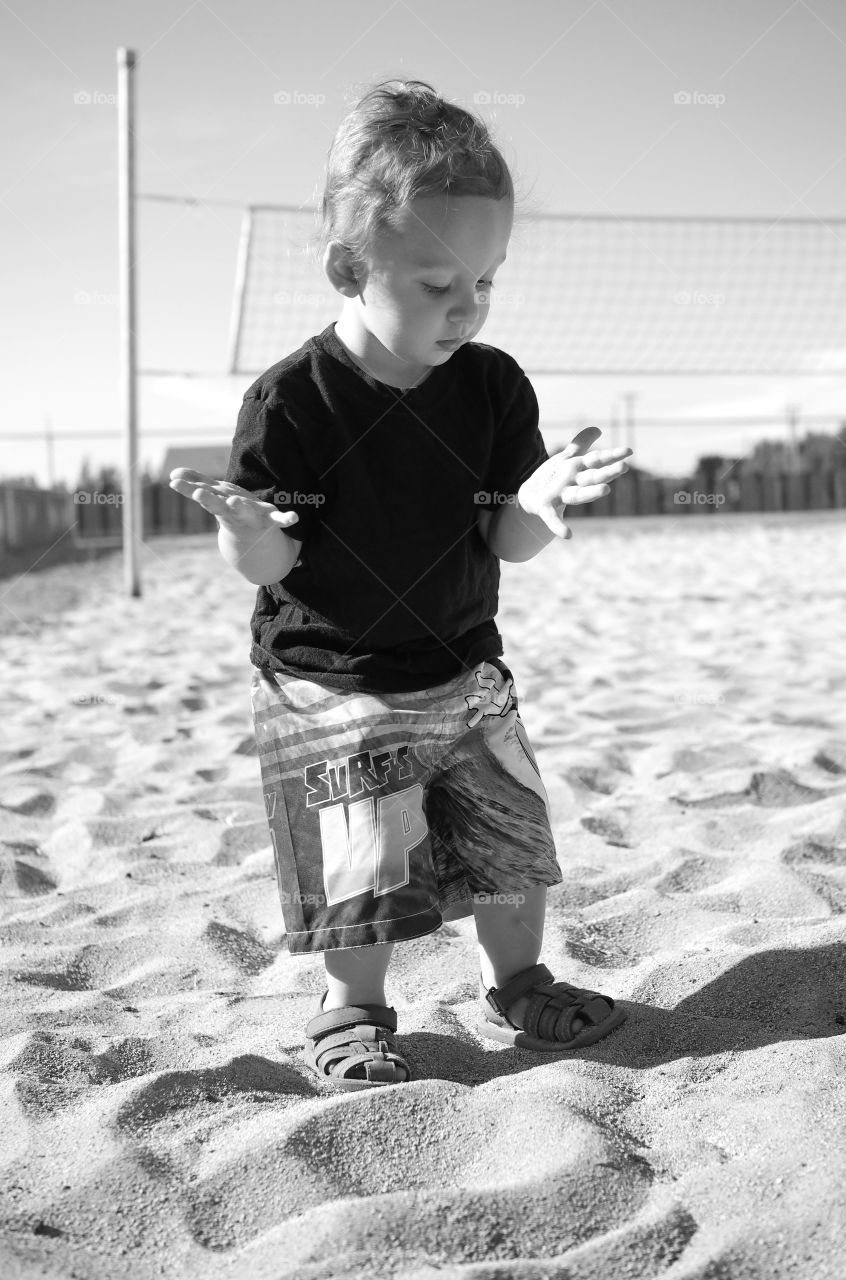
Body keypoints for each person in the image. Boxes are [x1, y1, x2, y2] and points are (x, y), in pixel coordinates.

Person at [170, 78, 634, 1090]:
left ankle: (518, 982)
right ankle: (353, 1007)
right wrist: (247, 534)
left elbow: (504, 538)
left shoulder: (493, 385)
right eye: (437, 284)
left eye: (486, 281)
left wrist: (542, 507)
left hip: (464, 660)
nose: (466, 307)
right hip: (333, 673)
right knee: (369, 856)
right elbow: (274, 562)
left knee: (516, 842)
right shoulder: (292, 399)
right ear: (350, 265)